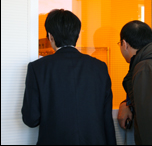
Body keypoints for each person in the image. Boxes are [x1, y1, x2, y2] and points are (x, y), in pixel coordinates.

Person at [21, 9, 117, 145]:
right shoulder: (100, 67)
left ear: (50, 36)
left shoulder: (38, 68)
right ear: (77, 35)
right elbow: (106, 119)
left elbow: (31, 119)